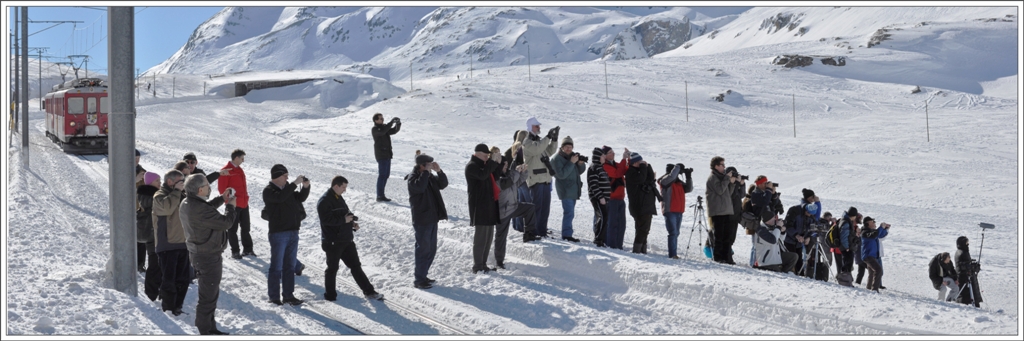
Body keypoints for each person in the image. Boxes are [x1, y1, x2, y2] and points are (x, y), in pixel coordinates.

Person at [180, 174, 236, 335]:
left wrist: (221, 198)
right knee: (208, 296)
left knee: (210, 293)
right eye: (206, 184)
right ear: (200, 189)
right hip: (207, 257)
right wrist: (231, 206)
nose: (209, 187)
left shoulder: (189, 202)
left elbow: (207, 208)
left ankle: (209, 327)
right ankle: (205, 330)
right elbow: (226, 222)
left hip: (202, 254)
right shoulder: (197, 207)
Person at [317, 175, 383, 301]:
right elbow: (326, 220)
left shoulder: (339, 198)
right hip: (332, 242)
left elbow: (345, 214)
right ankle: (330, 295)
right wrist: (344, 220)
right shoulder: (324, 201)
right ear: (336, 186)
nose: (345, 190)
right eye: (343, 187)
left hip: (346, 239)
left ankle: (369, 291)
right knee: (332, 269)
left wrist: (352, 223)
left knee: (356, 266)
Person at [262, 164, 310, 306]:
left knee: (289, 266)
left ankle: (288, 295)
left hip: (293, 232)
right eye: (285, 175)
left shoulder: (288, 189)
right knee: (276, 267)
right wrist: (295, 183)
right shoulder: (269, 191)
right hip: (278, 234)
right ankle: (274, 297)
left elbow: (300, 198)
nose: (287, 178)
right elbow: (280, 198)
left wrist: (306, 187)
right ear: (277, 176)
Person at [406, 151, 448, 289]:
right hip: (422, 219)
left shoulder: (428, 176)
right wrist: (425, 173)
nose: (430, 167)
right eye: (428, 165)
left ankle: (423, 275)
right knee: (423, 249)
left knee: (431, 249)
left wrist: (439, 172)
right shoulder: (413, 178)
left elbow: (443, 185)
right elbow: (420, 187)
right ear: (421, 166)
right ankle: (419, 279)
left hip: (432, 218)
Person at [153, 169, 189, 316]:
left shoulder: (181, 194)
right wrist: (176, 192)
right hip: (167, 244)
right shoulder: (159, 195)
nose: (183, 184)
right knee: (169, 280)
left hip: (183, 243)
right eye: (181, 181)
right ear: (170, 182)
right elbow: (166, 209)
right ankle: (168, 309)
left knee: (183, 279)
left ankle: (177, 307)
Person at [497, 149, 541, 263]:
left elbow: (519, 181)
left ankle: (529, 234)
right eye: (504, 165)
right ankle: (499, 261)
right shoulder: (498, 178)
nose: (506, 167)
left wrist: (524, 171)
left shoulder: (509, 175)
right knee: (501, 237)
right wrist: (516, 171)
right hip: (503, 211)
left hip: (513, 206)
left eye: (507, 164)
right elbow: (510, 180)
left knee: (530, 208)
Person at [465, 144, 501, 273]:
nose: (487, 157)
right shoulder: (472, 166)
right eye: (486, 155)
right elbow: (482, 175)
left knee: (488, 237)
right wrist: (491, 162)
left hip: (489, 204)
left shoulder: (485, 165)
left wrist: (497, 163)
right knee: (481, 238)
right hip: (479, 206)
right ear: (478, 154)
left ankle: (483, 264)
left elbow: (494, 175)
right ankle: (477, 265)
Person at [521, 117, 560, 238]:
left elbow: (550, 151)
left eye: (539, 126)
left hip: (545, 179)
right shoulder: (527, 142)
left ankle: (542, 232)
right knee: (536, 208)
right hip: (536, 180)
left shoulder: (539, 141)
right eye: (536, 126)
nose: (539, 128)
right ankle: (534, 232)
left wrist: (554, 140)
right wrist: (548, 137)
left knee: (545, 209)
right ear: (530, 127)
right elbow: (537, 148)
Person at [550, 136, 586, 242]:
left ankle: (567, 233)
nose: (569, 149)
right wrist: (571, 162)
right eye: (566, 147)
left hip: (573, 190)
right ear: (562, 147)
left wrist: (580, 164)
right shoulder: (556, 159)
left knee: (570, 213)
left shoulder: (572, 156)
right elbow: (561, 175)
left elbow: (577, 172)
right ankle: (566, 235)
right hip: (565, 190)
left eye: (570, 147)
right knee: (569, 212)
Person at [219, 149, 253, 259]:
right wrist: (229, 201)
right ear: (236, 158)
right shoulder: (225, 170)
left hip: (244, 203)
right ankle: (235, 251)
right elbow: (222, 189)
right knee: (232, 229)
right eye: (242, 158)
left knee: (246, 227)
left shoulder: (239, 170)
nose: (243, 160)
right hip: (233, 204)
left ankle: (248, 249)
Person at [706, 156, 738, 264]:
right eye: (722, 165)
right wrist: (726, 179)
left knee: (726, 236)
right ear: (716, 166)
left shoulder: (722, 177)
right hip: (717, 211)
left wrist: (732, 183)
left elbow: (727, 193)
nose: (724, 167)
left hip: (725, 210)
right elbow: (720, 190)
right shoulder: (713, 178)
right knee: (719, 236)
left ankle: (726, 257)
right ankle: (718, 257)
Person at [658, 163, 693, 259]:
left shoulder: (679, 183)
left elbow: (689, 189)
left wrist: (688, 176)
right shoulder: (665, 181)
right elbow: (671, 176)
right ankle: (672, 254)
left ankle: (674, 253)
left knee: (676, 233)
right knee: (673, 232)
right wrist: (677, 167)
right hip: (670, 210)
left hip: (679, 211)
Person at [624, 152, 657, 254]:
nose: (641, 163)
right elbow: (641, 179)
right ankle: (637, 251)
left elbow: (650, 179)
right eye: (639, 161)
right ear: (634, 163)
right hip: (639, 206)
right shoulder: (631, 173)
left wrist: (648, 167)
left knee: (644, 229)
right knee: (642, 229)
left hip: (646, 205)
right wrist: (643, 166)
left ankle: (642, 250)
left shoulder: (640, 171)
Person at [137, 172, 162, 301]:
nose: (160, 183)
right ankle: (151, 292)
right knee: (154, 262)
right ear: (150, 182)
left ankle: (154, 290)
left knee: (156, 261)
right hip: (151, 232)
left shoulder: (148, 193)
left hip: (152, 231)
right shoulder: (149, 195)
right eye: (157, 180)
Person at [602, 146, 630, 249]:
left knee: (621, 224)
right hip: (611, 199)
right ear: (604, 155)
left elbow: (626, 170)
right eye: (610, 152)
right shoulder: (604, 166)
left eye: (613, 152)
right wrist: (623, 159)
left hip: (620, 198)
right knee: (612, 223)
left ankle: (618, 245)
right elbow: (618, 173)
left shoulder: (616, 165)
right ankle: (611, 245)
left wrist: (628, 158)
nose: (613, 154)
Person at [371, 113, 401, 202]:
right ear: (376, 120)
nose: (382, 119)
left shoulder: (384, 127)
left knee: (386, 175)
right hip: (381, 155)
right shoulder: (375, 129)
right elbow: (383, 131)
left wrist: (398, 124)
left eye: (382, 118)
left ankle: (381, 195)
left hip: (387, 154)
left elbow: (393, 131)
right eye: (380, 118)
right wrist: (391, 122)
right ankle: (379, 195)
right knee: (382, 175)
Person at [587, 147, 612, 247]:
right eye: (602, 155)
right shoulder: (594, 168)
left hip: (604, 198)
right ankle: (598, 240)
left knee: (603, 218)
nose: (604, 157)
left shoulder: (600, 167)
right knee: (602, 217)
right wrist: (600, 197)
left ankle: (599, 239)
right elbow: (593, 184)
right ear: (598, 157)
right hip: (598, 198)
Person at [859, 217, 889, 292]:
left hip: (872, 256)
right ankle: (875, 289)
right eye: (872, 221)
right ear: (868, 223)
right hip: (868, 256)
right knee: (878, 270)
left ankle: (869, 288)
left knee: (872, 272)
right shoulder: (865, 232)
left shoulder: (871, 231)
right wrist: (880, 227)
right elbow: (874, 235)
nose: (874, 222)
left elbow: (880, 235)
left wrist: (886, 229)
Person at [723, 166, 745, 262]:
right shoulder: (725, 183)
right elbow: (729, 195)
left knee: (732, 238)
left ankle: (727, 256)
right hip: (727, 215)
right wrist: (734, 182)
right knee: (727, 237)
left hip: (735, 215)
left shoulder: (735, 184)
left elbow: (742, 195)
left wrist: (742, 184)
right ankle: (727, 257)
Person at [955, 236, 983, 307]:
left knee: (967, 294)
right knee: (965, 295)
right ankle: (974, 306)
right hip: (965, 278)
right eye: (966, 242)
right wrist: (974, 267)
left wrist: (972, 265)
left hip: (965, 276)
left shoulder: (961, 251)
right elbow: (963, 266)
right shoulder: (962, 252)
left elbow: (965, 264)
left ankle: (974, 305)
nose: (968, 244)